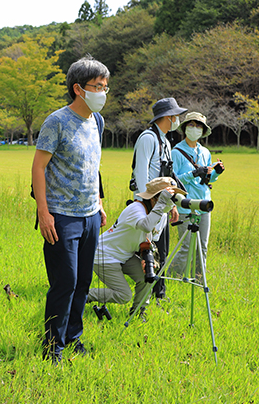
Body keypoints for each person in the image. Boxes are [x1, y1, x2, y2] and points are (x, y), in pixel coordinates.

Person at [31, 55, 108, 364]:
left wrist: (99, 203)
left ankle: (73, 336)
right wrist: (44, 212)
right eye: (97, 86)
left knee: (83, 283)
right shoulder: (57, 122)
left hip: (90, 214)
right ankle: (53, 346)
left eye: (105, 86)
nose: (103, 92)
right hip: (62, 216)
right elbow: (38, 168)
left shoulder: (97, 121)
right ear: (78, 88)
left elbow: (93, 166)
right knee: (65, 282)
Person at [88, 178, 186, 321]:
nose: (170, 202)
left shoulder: (160, 214)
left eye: (172, 198)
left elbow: (149, 239)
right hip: (104, 256)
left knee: (148, 277)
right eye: (166, 197)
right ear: (154, 198)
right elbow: (146, 226)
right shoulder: (136, 208)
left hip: (125, 254)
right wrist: (161, 204)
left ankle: (138, 312)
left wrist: (146, 259)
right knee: (123, 295)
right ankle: (81, 296)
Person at [131, 97, 187, 299]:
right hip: (149, 204)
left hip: (162, 203)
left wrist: (171, 205)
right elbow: (140, 174)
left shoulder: (166, 141)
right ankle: (145, 296)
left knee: (162, 251)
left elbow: (169, 177)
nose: (178, 119)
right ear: (168, 117)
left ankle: (159, 295)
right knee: (147, 251)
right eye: (176, 116)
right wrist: (146, 204)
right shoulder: (148, 138)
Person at [169, 112, 223, 277]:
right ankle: (171, 276)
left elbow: (206, 179)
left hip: (204, 203)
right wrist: (193, 173)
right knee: (186, 246)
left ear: (203, 130)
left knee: (203, 245)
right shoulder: (176, 152)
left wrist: (217, 173)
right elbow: (173, 180)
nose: (195, 129)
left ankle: (199, 278)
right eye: (191, 125)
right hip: (186, 204)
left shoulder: (205, 152)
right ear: (185, 128)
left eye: (198, 126)